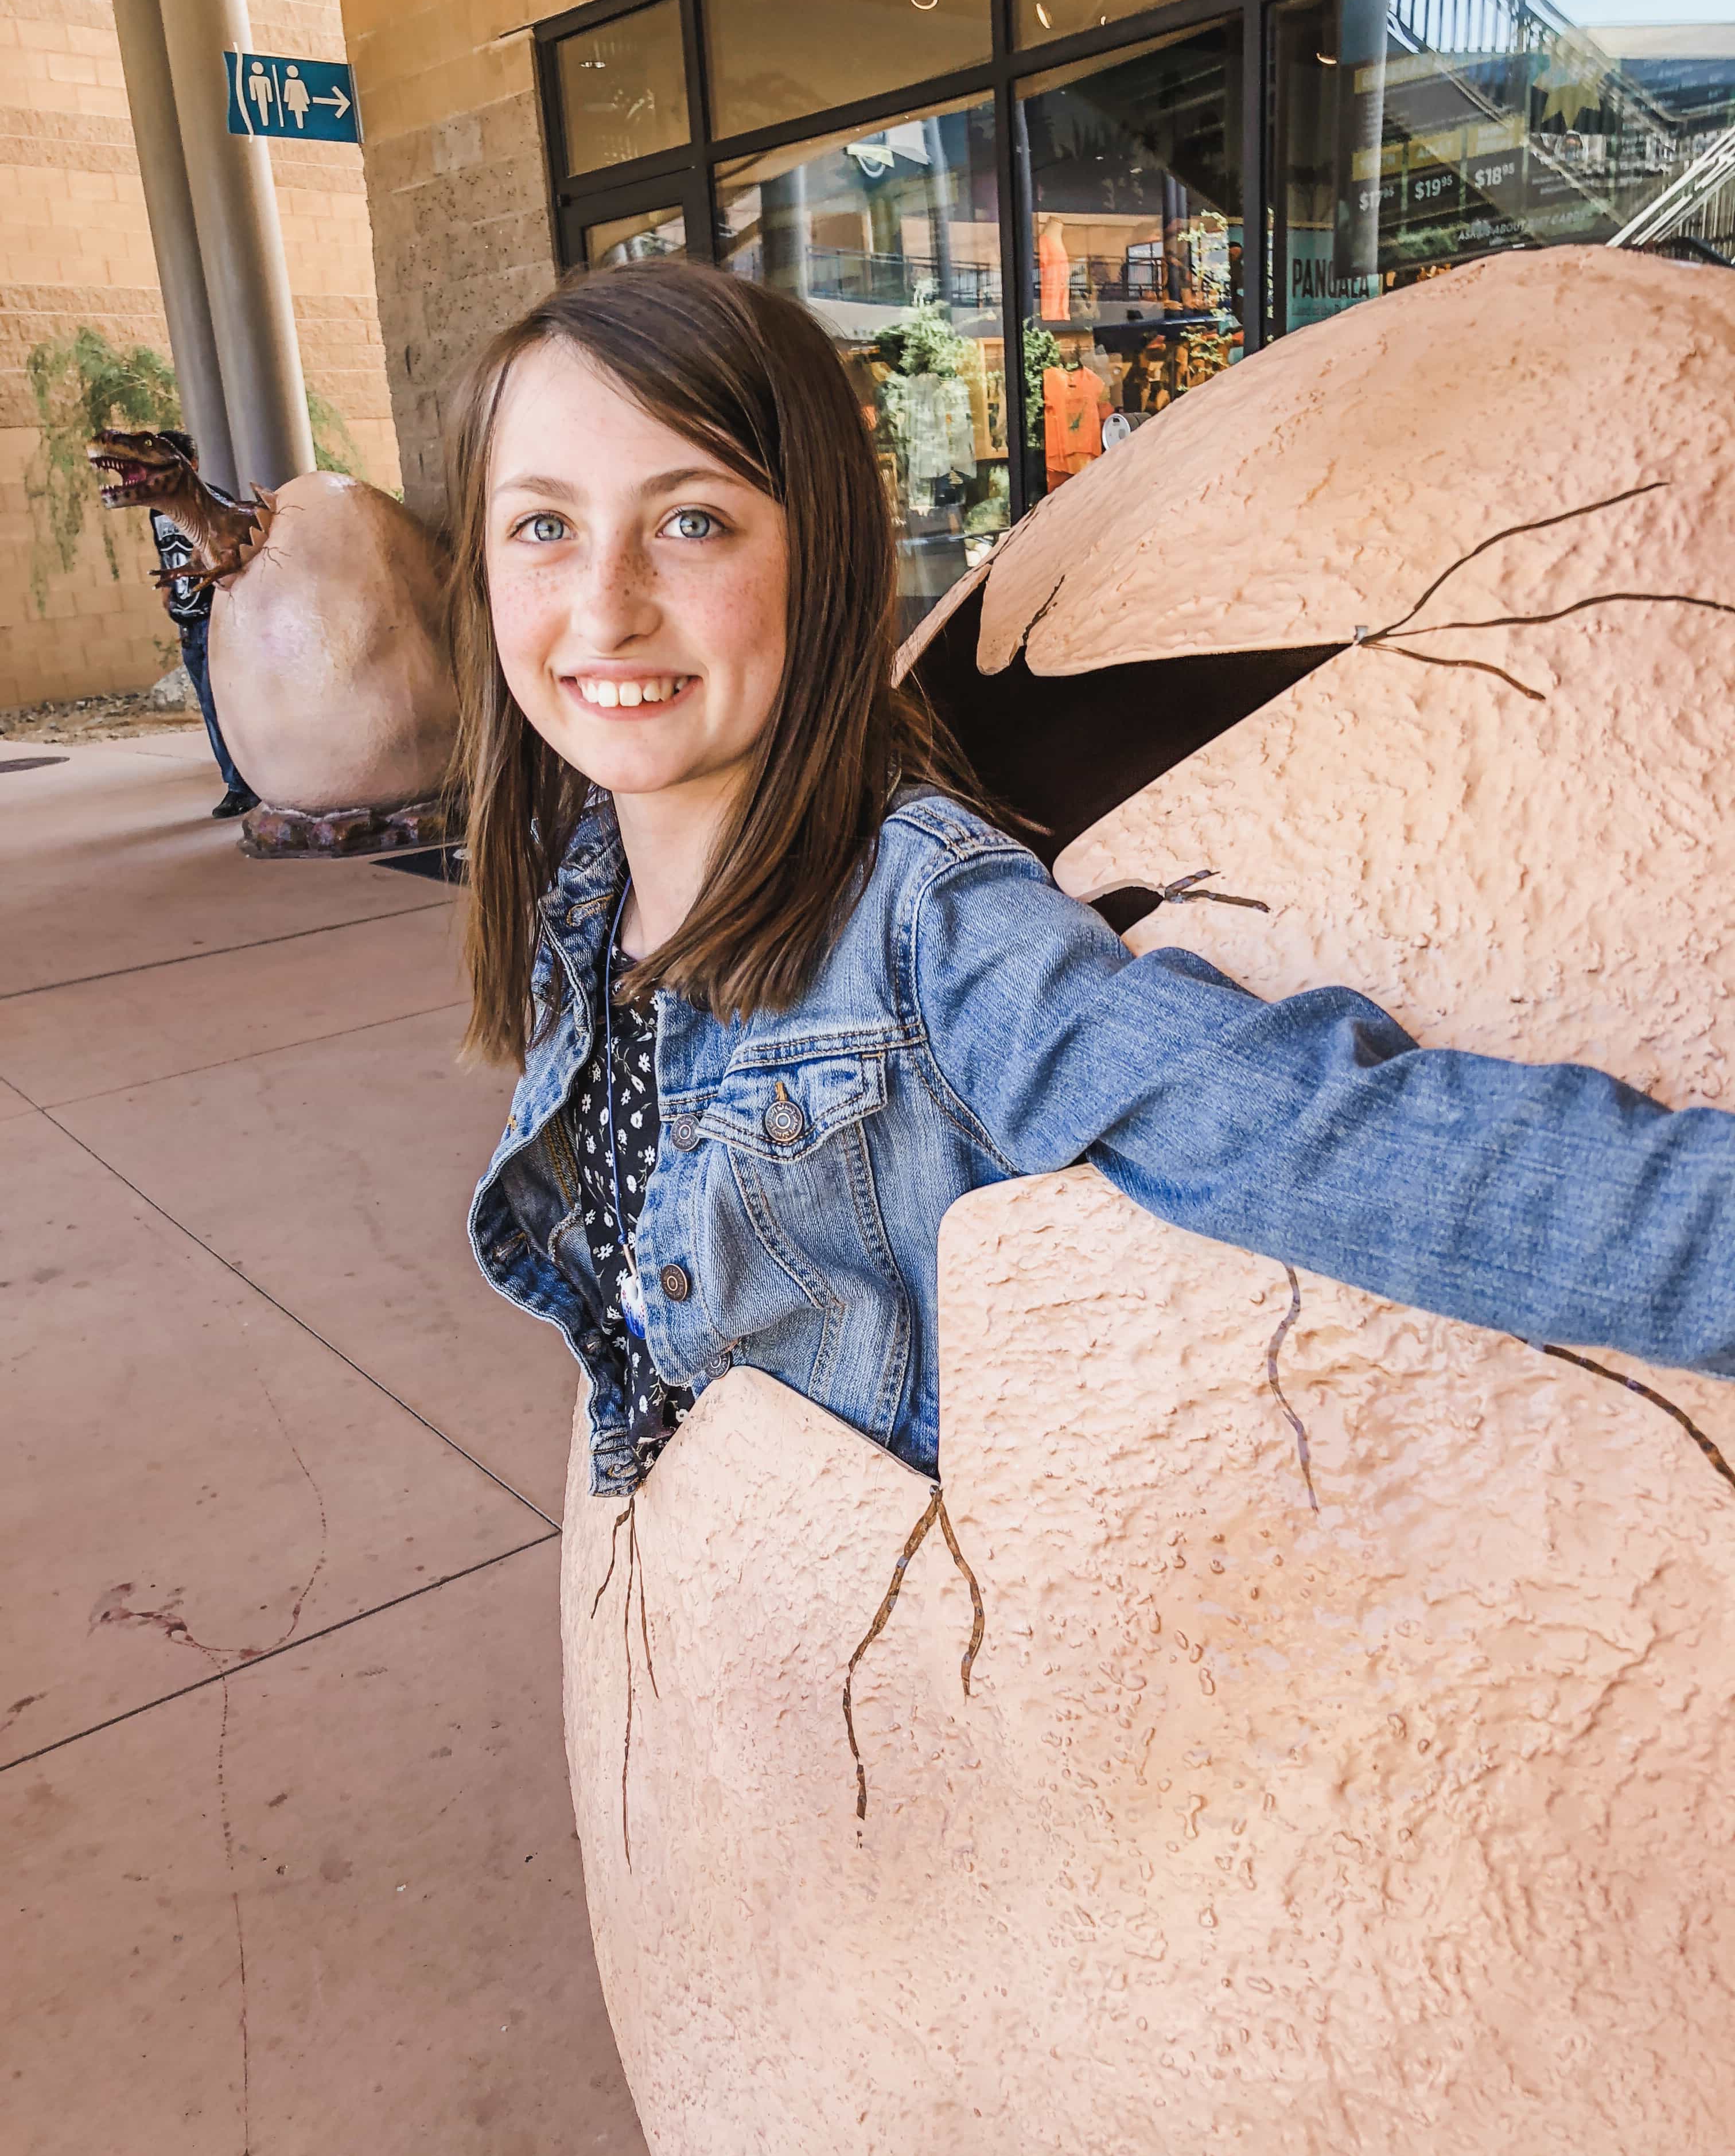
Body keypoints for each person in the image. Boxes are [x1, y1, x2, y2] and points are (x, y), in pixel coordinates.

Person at [454, 260, 1735, 1503]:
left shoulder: (922, 921)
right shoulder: (584, 889)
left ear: (821, 555)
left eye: (692, 521)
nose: (606, 605)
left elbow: (1303, 1133)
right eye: (545, 525)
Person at [149, 430, 258, 820]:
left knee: (223, 703)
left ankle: (242, 786)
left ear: (191, 465)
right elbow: (167, 550)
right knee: (210, 709)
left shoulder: (217, 503)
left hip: (217, 617)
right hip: (188, 620)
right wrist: (171, 594)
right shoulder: (157, 508)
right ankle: (238, 782)